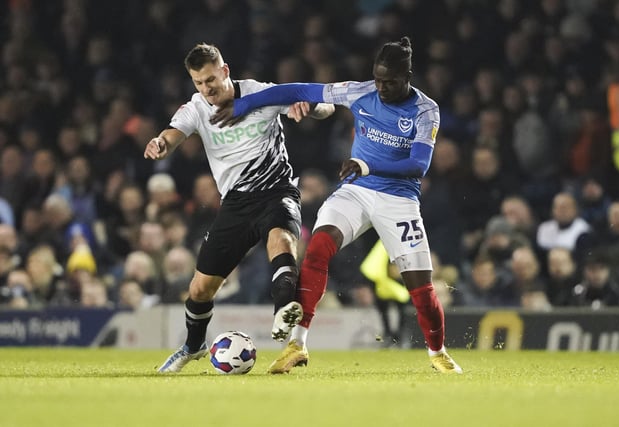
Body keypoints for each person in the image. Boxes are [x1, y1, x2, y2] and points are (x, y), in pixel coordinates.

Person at [212, 37, 463, 374]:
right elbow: (299, 90)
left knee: (420, 286)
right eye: (378, 79)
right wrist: (244, 105)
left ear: (408, 76)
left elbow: (418, 166)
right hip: (356, 191)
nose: (382, 88)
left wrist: (367, 166)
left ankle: (438, 352)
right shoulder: (360, 92)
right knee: (317, 249)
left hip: (399, 199)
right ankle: (296, 345)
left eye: (390, 81)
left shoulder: (424, 110)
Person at [145, 43, 334, 373]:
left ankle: (284, 309)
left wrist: (310, 108)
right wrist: (161, 144)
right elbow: (174, 133)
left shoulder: (261, 94)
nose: (207, 89)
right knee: (200, 289)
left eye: (211, 81)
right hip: (235, 204)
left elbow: (326, 108)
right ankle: (193, 346)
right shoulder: (197, 107)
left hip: (277, 191)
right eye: (199, 83)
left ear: (225, 71)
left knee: (282, 241)